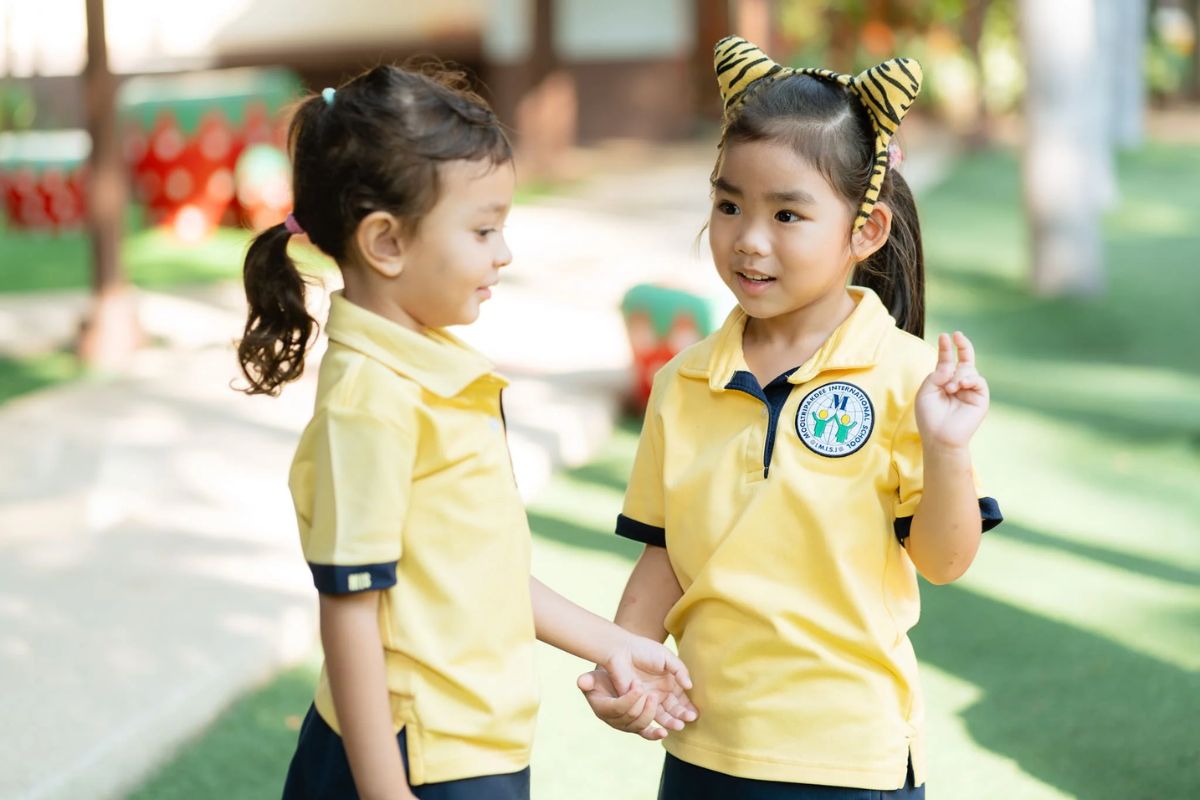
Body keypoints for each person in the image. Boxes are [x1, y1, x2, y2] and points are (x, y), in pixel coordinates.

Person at [235, 63, 696, 800]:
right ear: (386, 242)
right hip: (415, 760)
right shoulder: (370, 404)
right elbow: (349, 616)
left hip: (472, 743)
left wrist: (615, 643)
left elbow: (476, 572)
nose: (503, 253)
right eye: (483, 229)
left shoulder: (436, 367)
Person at [578, 36, 1003, 799]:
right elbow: (668, 555)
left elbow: (944, 562)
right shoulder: (683, 381)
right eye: (728, 203)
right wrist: (625, 658)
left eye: (788, 214)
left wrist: (946, 451)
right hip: (705, 748)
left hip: (848, 760)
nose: (748, 239)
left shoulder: (910, 377)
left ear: (863, 232)